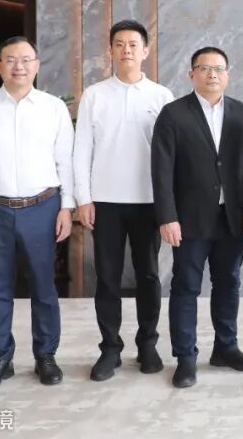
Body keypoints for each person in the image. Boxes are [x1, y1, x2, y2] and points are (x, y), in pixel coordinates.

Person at [0, 36, 74, 393]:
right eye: (10, 60)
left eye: (25, 59)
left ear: (37, 65)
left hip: (43, 207)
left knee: (44, 286)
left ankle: (46, 355)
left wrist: (67, 207)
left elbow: (65, 162)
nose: (18, 66)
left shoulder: (53, 108)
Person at [151, 46, 243, 388]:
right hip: (189, 219)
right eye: (204, 68)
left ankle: (226, 348)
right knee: (186, 286)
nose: (212, 74)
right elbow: (161, 170)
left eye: (218, 68)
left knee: (228, 282)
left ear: (228, 75)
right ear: (191, 75)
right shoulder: (173, 114)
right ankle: (186, 357)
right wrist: (167, 216)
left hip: (232, 218)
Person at [74, 19, 173, 381]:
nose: (126, 50)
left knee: (148, 275)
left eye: (133, 44)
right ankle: (110, 349)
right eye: (119, 44)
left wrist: (168, 204)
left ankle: (148, 344)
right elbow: (81, 149)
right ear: (111, 51)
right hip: (105, 202)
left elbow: (171, 157)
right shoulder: (95, 95)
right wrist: (83, 198)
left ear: (145, 51)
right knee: (107, 278)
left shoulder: (161, 97)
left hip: (148, 201)